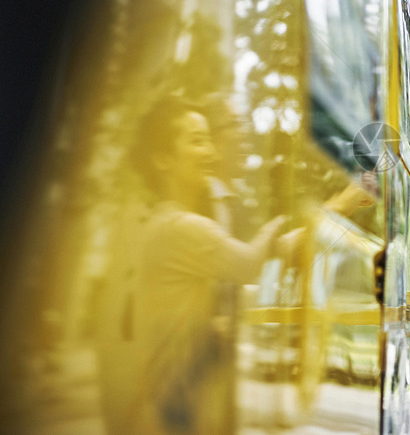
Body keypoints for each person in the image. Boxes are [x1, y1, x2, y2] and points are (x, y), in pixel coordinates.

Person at [116, 96, 288, 435]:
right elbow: (250, 264)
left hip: (178, 402)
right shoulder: (182, 228)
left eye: (209, 138)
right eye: (197, 140)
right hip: (174, 409)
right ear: (163, 159)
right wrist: (276, 225)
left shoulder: (165, 224)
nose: (211, 151)